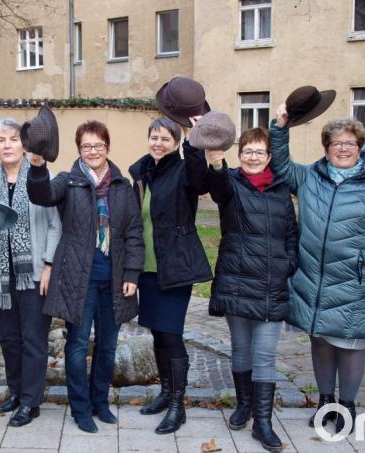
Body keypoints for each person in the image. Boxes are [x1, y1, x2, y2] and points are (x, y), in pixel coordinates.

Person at [269, 106, 365, 435]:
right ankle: (326, 403)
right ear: (326, 147)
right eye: (335, 143)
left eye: (350, 143)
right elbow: (281, 166)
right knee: (321, 341)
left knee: (350, 343)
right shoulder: (311, 177)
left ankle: (348, 406)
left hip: (355, 280)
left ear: (360, 148)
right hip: (313, 277)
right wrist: (280, 127)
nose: (342, 148)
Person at [27, 120, 144, 434]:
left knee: (107, 345)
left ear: (107, 146)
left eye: (99, 145)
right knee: (77, 346)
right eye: (87, 146)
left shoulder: (121, 185)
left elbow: (134, 232)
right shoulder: (68, 181)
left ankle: (100, 403)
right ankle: (80, 408)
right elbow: (41, 195)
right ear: (79, 150)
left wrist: (132, 272)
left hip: (116, 279)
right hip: (79, 279)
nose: (93, 151)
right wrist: (37, 165)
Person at [205, 127, 297, 452]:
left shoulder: (281, 190)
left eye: (259, 152)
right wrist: (216, 161)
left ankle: (263, 422)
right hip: (237, 281)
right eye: (247, 151)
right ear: (240, 154)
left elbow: (291, 234)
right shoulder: (230, 183)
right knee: (241, 350)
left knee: (265, 356)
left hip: (271, 285)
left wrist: (289, 263)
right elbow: (216, 188)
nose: (253, 157)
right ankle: (244, 405)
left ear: (269, 157)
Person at [0, 118, 62, 427]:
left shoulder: (42, 176)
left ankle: (30, 401)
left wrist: (49, 264)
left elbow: (55, 225)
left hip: (34, 272)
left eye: (14, 139)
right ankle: (15, 391)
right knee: (9, 338)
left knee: (33, 338)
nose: (8, 145)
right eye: (2, 140)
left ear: (24, 146)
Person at [127, 117, 211, 435]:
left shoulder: (183, 169)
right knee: (158, 334)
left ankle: (178, 404)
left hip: (175, 266)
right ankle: (165, 392)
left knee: (172, 334)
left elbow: (199, 176)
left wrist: (196, 138)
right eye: (154, 137)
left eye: (166, 138)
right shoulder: (143, 172)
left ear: (177, 142)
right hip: (147, 268)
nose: (158, 143)